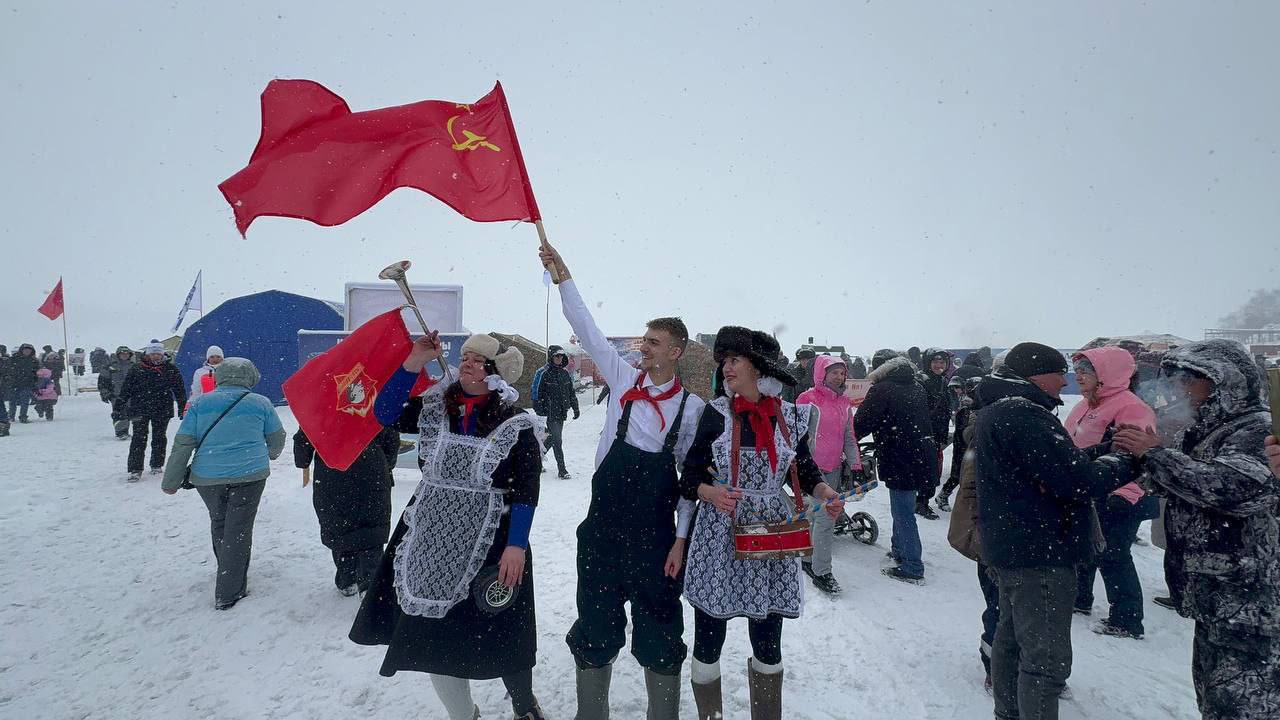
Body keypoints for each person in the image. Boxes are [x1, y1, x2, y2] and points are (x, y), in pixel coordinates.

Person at [540, 241, 704, 720]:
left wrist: (679, 541)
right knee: (595, 626)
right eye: (643, 340)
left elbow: (691, 485)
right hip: (604, 530)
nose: (642, 347)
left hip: (656, 538)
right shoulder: (620, 379)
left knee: (660, 632)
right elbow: (585, 328)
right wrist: (563, 276)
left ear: (675, 351)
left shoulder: (691, 410)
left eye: (653, 342)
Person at [349, 331, 546, 720]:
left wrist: (516, 545)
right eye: (466, 357)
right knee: (431, 636)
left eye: (478, 360)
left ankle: (524, 702)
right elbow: (382, 413)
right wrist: (413, 363)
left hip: (493, 535)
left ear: (495, 372)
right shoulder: (437, 407)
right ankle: (463, 714)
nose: (467, 364)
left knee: (502, 624)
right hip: (429, 535)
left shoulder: (516, 423)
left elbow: (526, 490)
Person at [680, 327, 844, 720]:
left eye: (735, 360)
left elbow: (802, 469)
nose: (726, 367)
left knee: (768, 635)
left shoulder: (789, 417)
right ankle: (711, 716)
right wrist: (711, 493)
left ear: (759, 369)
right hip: (720, 532)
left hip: (771, 535)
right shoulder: (715, 414)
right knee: (709, 634)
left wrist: (825, 493)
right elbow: (688, 475)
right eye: (725, 360)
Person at [1113, 340, 1279, 719]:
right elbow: (1180, 483)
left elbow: (1233, 488)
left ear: (1226, 382)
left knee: (1248, 706)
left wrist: (1154, 453)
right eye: (1176, 378)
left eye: (1191, 379)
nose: (1180, 388)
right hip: (1216, 600)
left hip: (1250, 601)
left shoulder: (1255, 429)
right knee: (1215, 701)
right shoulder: (1205, 428)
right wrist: (1134, 458)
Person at [974, 342, 1140, 720]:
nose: (1065, 380)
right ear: (1037, 374)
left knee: (1012, 641)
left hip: (1014, 545)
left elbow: (1056, 465)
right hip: (1040, 550)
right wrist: (1132, 461)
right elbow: (1074, 480)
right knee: (1044, 661)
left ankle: (1009, 712)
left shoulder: (1003, 408)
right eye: (1058, 372)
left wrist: (1106, 449)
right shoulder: (1023, 414)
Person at [161, 358, 284, 609]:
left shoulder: (199, 403)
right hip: (250, 474)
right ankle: (229, 590)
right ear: (250, 377)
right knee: (238, 528)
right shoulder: (260, 403)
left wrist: (171, 480)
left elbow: (183, 442)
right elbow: (277, 437)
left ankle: (227, 567)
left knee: (220, 521)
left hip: (208, 478)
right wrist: (271, 452)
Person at [1064, 347, 1157, 639]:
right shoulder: (1085, 405)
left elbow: (1139, 458)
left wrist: (1126, 494)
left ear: (1107, 375)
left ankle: (1127, 619)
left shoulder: (1130, 407)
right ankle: (1080, 599)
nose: (1078, 376)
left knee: (1114, 555)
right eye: (1077, 369)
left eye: (1086, 371)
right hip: (1092, 490)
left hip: (1121, 495)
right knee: (1086, 545)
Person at [854, 350, 939, 583]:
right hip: (921, 454)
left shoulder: (882, 390)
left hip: (900, 456)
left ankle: (912, 566)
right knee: (904, 507)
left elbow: (861, 423)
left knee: (903, 512)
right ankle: (900, 549)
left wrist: (846, 442)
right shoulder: (916, 387)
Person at [295, 424, 400, 596]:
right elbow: (391, 439)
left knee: (339, 526)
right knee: (371, 527)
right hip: (372, 471)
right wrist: (384, 463)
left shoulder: (322, 406)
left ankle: (347, 578)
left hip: (332, 472)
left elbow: (303, 439)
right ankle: (370, 583)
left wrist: (304, 460)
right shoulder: (372, 402)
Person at [946, 375, 999, 693]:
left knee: (1002, 602)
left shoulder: (983, 431)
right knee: (1000, 603)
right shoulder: (989, 436)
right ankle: (996, 665)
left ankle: (1007, 662)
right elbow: (971, 490)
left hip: (1000, 533)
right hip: (997, 534)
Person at [795, 353, 862, 594]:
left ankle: (808, 559)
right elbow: (796, 436)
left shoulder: (844, 402)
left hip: (833, 468)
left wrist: (855, 466)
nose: (838, 376)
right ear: (821, 373)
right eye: (833, 371)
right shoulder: (807, 398)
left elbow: (849, 436)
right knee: (821, 520)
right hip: (810, 470)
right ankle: (821, 571)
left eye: (842, 372)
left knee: (820, 518)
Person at [117, 342, 187, 482]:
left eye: (158, 353)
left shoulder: (170, 369)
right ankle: (135, 469)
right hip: (139, 408)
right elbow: (126, 389)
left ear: (162, 354)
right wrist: (118, 406)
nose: (156, 356)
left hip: (162, 408)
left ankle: (156, 464)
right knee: (139, 438)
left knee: (159, 436)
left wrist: (182, 407)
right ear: (147, 354)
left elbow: (179, 390)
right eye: (153, 353)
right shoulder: (137, 369)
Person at [533, 344, 580, 478]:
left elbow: (571, 392)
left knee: (552, 439)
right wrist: (540, 410)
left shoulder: (565, 373)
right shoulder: (543, 373)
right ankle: (562, 470)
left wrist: (575, 407)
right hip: (549, 412)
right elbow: (536, 393)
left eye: (561, 356)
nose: (559, 358)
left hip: (561, 412)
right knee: (557, 440)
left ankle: (536, 460)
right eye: (556, 356)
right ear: (551, 357)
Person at [917, 347, 953, 519]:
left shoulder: (943, 381)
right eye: (935, 361)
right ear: (928, 363)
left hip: (937, 432)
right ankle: (921, 503)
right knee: (927, 470)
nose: (939, 365)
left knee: (933, 470)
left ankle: (922, 500)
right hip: (924, 433)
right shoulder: (922, 381)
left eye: (942, 362)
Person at [936, 375, 979, 511]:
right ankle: (943, 495)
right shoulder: (965, 409)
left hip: (974, 447)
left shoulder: (982, 407)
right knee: (957, 475)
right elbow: (963, 432)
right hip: (963, 448)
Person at [98, 346, 136, 439]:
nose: (124, 355)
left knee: (130, 413)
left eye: (126, 354)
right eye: (122, 354)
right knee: (119, 414)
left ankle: (129, 431)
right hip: (116, 395)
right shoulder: (110, 366)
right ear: (118, 354)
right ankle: (121, 432)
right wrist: (105, 393)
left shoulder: (134, 366)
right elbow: (103, 381)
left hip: (131, 395)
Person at [7, 344, 40, 424]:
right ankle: (11, 416)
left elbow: (36, 373)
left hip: (27, 384)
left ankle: (23, 417)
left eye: (29, 350)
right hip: (14, 383)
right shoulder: (14, 359)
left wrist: (35, 383)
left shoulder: (34, 361)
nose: (27, 351)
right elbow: (8, 370)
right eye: (25, 350)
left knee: (25, 401)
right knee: (12, 401)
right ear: (21, 350)